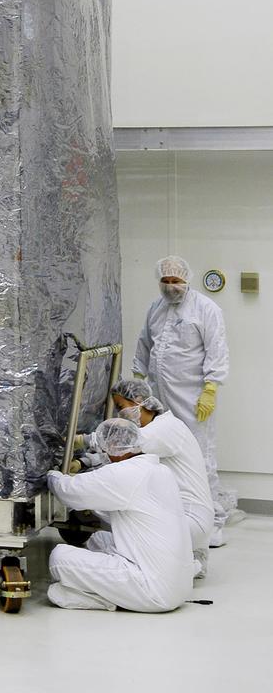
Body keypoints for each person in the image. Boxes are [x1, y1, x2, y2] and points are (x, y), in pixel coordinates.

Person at [47, 417, 193, 612]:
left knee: (59, 558)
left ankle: (110, 598)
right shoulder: (159, 470)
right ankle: (109, 591)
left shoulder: (126, 473)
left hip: (153, 590)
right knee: (99, 539)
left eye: (103, 448)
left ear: (114, 446)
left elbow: (69, 491)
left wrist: (51, 475)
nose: (103, 453)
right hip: (180, 586)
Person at [133, 255, 231, 544]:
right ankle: (176, 517)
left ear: (186, 280)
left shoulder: (205, 309)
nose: (171, 286)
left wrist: (211, 388)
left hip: (193, 399)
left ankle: (213, 522)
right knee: (162, 456)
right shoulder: (156, 308)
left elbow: (217, 348)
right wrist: (138, 379)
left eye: (176, 281)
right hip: (158, 399)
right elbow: (144, 344)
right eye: (165, 281)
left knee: (200, 458)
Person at [77, 377, 215, 577]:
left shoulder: (164, 429)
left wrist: (82, 440)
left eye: (120, 406)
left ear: (138, 400)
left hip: (189, 521)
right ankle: (186, 561)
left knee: (115, 511)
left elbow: (123, 443)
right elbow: (122, 454)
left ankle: (139, 564)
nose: (120, 414)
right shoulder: (162, 426)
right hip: (192, 522)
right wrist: (85, 462)